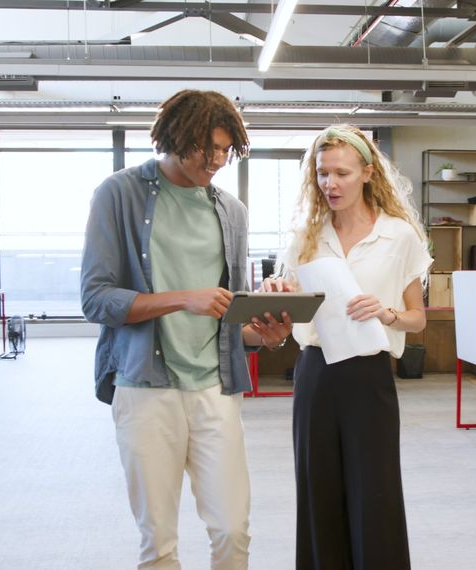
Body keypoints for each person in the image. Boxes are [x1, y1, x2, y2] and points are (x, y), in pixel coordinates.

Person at [81, 89, 292, 570]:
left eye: (225, 150)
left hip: (215, 389)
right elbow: (96, 299)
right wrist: (182, 298)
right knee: (158, 542)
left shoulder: (230, 211)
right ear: (174, 136)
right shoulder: (120, 194)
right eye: (206, 148)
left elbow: (230, 319)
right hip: (145, 389)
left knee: (233, 530)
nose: (216, 160)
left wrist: (269, 334)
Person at [268, 124, 432, 569]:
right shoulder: (305, 234)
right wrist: (280, 291)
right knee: (317, 487)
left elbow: (418, 319)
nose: (330, 184)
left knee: (373, 490)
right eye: (322, 174)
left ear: (367, 172)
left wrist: (387, 313)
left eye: (341, 173)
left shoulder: (399, 236)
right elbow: (291, 310)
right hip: (315, 371)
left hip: (369, 373)